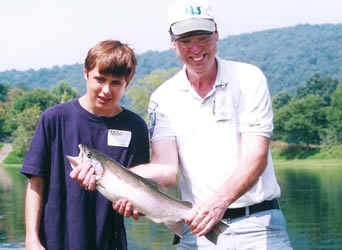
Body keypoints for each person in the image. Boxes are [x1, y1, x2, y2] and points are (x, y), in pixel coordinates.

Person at [73, 0, 292, 249]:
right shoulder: (163, 98)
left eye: (202, 37)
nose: (195, 49)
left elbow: (256, 156)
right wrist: (118, 183)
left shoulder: (249, 78)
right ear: (172, 41)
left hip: (258, 225)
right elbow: (166, 170)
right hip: (196, 229)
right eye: (186, 41)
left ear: (216, 33)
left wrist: (218, 203)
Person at [21, 40, 150, 250]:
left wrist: (134, 208)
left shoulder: (135, 127)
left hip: (110, 243)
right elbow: (35, 184)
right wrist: (31, 240)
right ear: (85, 73)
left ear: (128, 81)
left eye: (116, 82)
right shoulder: (54, 119)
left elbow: (142, 196)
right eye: (100, 79)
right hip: (53, 242)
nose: (106, 90)